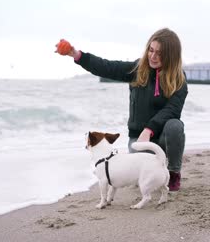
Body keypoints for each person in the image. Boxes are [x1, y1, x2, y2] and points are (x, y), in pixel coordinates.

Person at [55, 28, 188, 191]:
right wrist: (77, 55)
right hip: (138, 142)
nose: (153, 56)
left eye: (159, 53)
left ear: (170, 56)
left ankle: (173, 173)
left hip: (162, 139)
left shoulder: (178, 78)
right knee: (138, 178)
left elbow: (173, 109)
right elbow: (107, 67)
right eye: (151, 50)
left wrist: (149, 129)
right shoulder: (138, 69)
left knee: (175, 125)